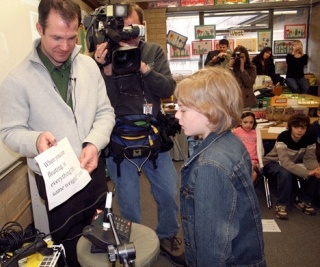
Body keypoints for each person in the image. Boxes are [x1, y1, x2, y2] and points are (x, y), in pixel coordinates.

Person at [0, 0, 115, 266]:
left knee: (103, 237)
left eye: (72, 38)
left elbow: (105, 113)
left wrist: (93, 144)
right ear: (39, 28)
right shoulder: (17, 80)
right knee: (70, 246)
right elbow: (9, 131)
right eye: (56, 37)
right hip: (57, 181)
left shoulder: (88, 67)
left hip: (93, 169)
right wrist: (35, 139)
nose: (65, 46)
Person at [93, 2, 186, 266]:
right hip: (119, 140)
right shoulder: (103, 57)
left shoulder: (153, 51)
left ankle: (168, 236)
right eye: (123, 27)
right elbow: (99, 103)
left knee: (168, 191)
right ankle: (136, 242)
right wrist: (105, 71)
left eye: (133, 27)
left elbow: (167, 87)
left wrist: (144, 68)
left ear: (142, 26)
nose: (128, 33)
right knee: (128, 200)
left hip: (153, 136)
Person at [174, 67, 266, 267]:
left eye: (182, 109)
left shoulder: (211, 166)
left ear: (210, 112)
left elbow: (212, 244)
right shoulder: (231, 141)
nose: (176, 116)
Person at [263, 114, 320, 220]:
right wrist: (307, 173)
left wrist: (316, 169)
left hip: (293, 163)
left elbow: (310, 159)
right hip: (273, 162)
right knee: (285, 172)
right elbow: (285, 162)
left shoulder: (310, 137)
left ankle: (302, 199)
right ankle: (281, 204)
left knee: (316, 172)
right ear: (290, 127)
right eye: (296, 127)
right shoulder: (284, 136)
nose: (299, 130)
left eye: (303, 128)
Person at [233, 111, 259, 182]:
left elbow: (259, 149)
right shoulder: (236, 131)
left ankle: (246, 190)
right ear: (240, 122)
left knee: (252, 171)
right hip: (240, 159)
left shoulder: (256, 133)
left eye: (251, 122)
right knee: (251, 174)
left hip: (253, 160)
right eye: (245, 122)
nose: (248, 125)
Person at [229, 45, 257, 109]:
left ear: (246, 57)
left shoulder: (252, 68)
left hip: (247, 101)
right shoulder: (230, 68)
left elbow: (249, 83)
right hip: (234, 101)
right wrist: (229, 67)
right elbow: (226, 82)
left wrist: (242, 70)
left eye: (242, 57)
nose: (239, 59)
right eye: (237, 57)